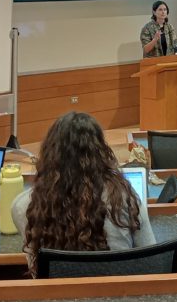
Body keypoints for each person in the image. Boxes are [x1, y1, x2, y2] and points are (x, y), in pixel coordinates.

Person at [13, 111, 155, 276]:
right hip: (118, 297)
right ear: (101, 151)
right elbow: (151, 260)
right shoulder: (126, 198)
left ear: (49, 155)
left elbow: (35, 267)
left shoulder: (22, 206)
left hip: (54, 300)